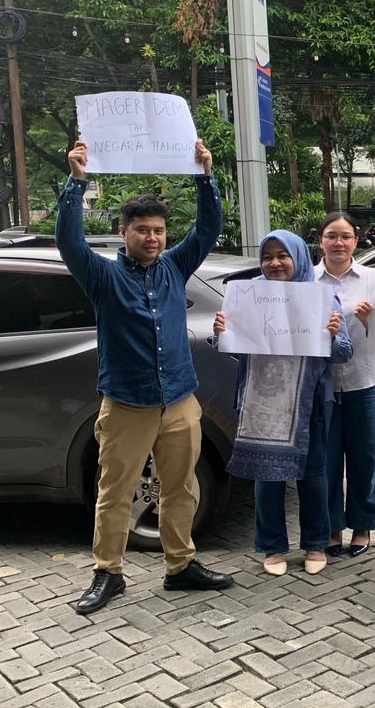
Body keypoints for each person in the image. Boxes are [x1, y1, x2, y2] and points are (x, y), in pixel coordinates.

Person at [59, 140, 234, 616]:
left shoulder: (175, 267)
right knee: (115, 492)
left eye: (158, 230)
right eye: (142, 230)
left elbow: (208, 228)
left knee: (182, 488)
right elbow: (70, 244)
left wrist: (205, 176)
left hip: (179, 402)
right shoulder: (103, 277)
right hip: (127, 405)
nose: (152, 238)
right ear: (124, 232)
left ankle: (181, 565)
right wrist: (76, 182)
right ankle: (108, 572)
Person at [212, 230, 352, 577]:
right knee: (267, 476)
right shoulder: (249, 295)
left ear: (298, 258)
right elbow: (233, 348)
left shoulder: (321, 297)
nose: (274, 263)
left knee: (313, 475)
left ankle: (316, 544)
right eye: (267, 257)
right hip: (262, 401)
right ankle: (272, 546)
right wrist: (221, 333)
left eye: (282, 255)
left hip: (309, 403)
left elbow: (343, 353)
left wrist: (334, 335)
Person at [315, 212, 375, 557]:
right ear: (321, 240)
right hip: (322, 386)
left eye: (345, 236)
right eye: (331, 236)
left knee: (365, 459)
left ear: (356, 241)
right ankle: (330, 526)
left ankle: (363, 524)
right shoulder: (307, 280)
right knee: (325, 462)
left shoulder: (373, 278)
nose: (338, 243)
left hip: (364, 381)